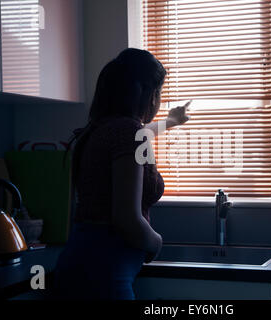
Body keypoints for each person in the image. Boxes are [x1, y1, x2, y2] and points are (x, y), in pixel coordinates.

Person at [51, 48, 190, 300]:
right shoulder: (128, 133)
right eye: (159, 92)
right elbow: (127, 219)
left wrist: (170, 122)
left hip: (79, 264)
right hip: (105, 276)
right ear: (147, 95)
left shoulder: (98, 129)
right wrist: (156, 242)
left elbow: (133, 137)